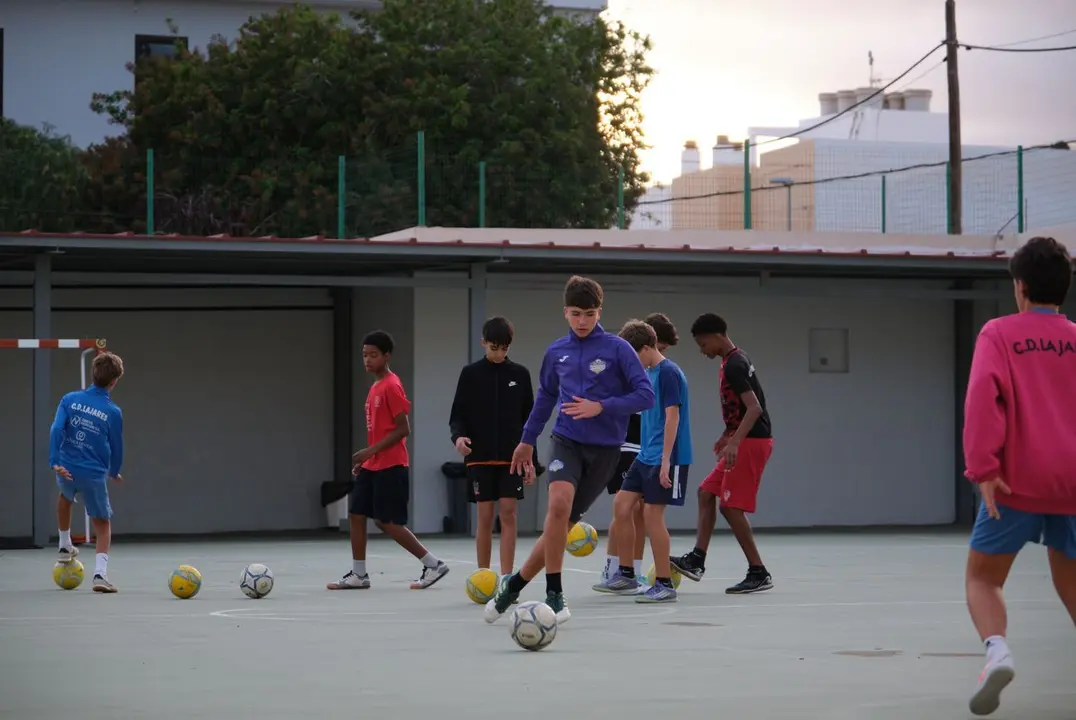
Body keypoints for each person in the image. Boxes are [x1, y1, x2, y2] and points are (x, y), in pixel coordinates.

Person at [483, 275, 655, 624]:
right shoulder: (556, 351)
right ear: (565, 312)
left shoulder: (618, 349)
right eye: (576, 313)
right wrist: (526, 440)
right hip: (566, 441)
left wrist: (602, 406)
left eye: (589, 314)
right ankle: (555, 594)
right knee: (558, 507)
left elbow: (645, 396)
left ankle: (514, 586)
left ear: (599, 312)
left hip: (605, 450)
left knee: (560, 526)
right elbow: (546, 397)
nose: (582, 321)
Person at [961, 235, 1076, 716]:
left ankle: (998, 653)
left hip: (1015, 484)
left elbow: (982, 402)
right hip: (1073, 485)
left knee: (983, 580)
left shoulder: (999, 334)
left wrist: (983, 469)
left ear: (1020, 286)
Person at [327, 331, 449, 591]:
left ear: (386, 356)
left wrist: (369, 452)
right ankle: (359, 574)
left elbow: (403, 429)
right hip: (374, 465)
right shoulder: (374, 387)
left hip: (392, 464)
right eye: (364, 355)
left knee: (387, 521)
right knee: (357, 513)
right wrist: (367, 459)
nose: (367, 360)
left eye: (373, 355)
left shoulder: (392, 385)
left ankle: (433, 564)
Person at [670, 313, 774, 594]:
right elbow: (741, 408)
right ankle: (697, 560)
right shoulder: (735, 359)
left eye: (703, 344)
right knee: (706, 493)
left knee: (730, 506)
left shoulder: (735, 365)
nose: (703, 351)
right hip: (743, 438)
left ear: (716, 336)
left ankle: (758, 571)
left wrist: (735, 442)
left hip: (752, 442)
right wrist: (727, 434)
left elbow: (754, 409)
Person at [594, 320, 692, 603]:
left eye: (633, 355)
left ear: (647, 347)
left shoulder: (669, 373)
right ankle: (625, 574)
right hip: (645, 455)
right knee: (621, 505)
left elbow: (672, 417)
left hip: (667, 456)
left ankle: (664, 583)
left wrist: (664, 461)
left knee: (652, 516)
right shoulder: (648, 373)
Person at [449, 316, 537, 578]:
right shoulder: (470, 374)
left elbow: (530, 421)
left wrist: (532, 461)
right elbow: (457, 415)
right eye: (494, 348)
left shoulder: (520, 375)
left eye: (504, 349)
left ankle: (508, 577)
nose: (499, 354)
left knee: (508, 514)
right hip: (479, 458)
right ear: (483, 343)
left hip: (513, 458)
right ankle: (484, 576)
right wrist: (459, 437)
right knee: (485, 517)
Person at [51, 351, 126, 594]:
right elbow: (117, 446)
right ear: (114, 382)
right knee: (102, 524)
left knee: (65, 498)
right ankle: (99, 575)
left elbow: (56, 429)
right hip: (93, 474)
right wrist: (114, 471)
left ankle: (64, 545)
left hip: (66, 466)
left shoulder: (69, 399)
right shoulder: (113, 412)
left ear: (93, 375)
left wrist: (54, 460)